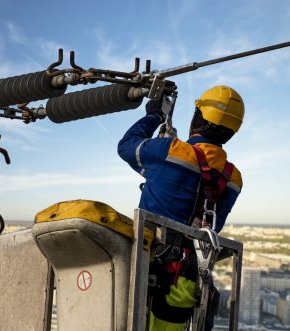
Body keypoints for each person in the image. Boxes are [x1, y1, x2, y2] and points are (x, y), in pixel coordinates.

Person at [117, 86, 244, 330]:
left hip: (146, 267)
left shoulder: (172, 151)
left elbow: (126, 146)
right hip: (188, 279)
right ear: (231, 131)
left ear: (198, 117)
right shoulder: (234, 178)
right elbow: (214, 221)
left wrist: (154, 115)